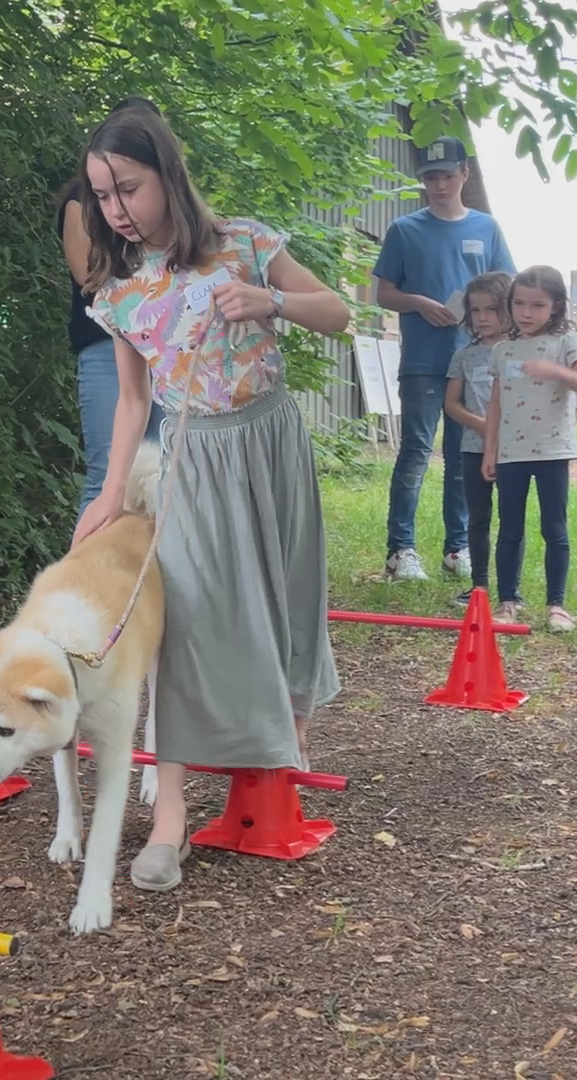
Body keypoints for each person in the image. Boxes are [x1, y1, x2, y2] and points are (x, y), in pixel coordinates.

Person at [71, 107, 351, 893]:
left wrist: (274, 303)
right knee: (183, 628)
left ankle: (276, 761)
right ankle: (168, 820)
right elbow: (132, 406)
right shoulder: (122, 292)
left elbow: (340, 313)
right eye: (103, 196)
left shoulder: (249, 244)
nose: (118, 208)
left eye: (128, 187)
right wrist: (110, 497)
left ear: (167, 172)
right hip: (193, 461)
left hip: (270, 445)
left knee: (289, 597)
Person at [374, 135, 516, 582]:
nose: (439, 185)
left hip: (475, 362)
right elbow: (384, 293)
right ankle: (401, 551)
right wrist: (417, 302)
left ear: (464, 176)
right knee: (415, 452)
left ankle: (458, 548)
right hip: (423, 359)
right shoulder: (404, 230)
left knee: (462, 458)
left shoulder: (486, 228)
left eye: (447, 176)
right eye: (431, 178)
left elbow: (505, 286)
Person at [60, 97, 166, 521]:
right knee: (109, 479)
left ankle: (146, 582)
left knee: (160, 475)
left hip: (165, 350)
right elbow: (89, 275)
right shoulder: (79, 201)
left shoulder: (169, 209)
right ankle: (85, 584)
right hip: (106, 347)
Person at [481, 265, 577, 632]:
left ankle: (557, 605)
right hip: (511, 453)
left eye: (537, 305)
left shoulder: (568, 343)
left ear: (556, 306)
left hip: (552, 450)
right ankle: (508, 600)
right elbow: (496, 403)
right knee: (509, 528)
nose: (526, 313)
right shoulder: (503, 350)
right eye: (519, 304)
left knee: (554, 527)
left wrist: (557, 371)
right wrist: (490, 451)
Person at [443, 271, 513, 608]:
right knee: (479, 517)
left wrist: (504, 429)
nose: (482, 318)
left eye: (491, 309)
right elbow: (451, 404)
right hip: (473, 448)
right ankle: (480, 587)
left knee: (511, 520)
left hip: (515, 449)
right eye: (475, 310)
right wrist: (483, 426)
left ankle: (510, 593)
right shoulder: (464, 356)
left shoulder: (520, 352)